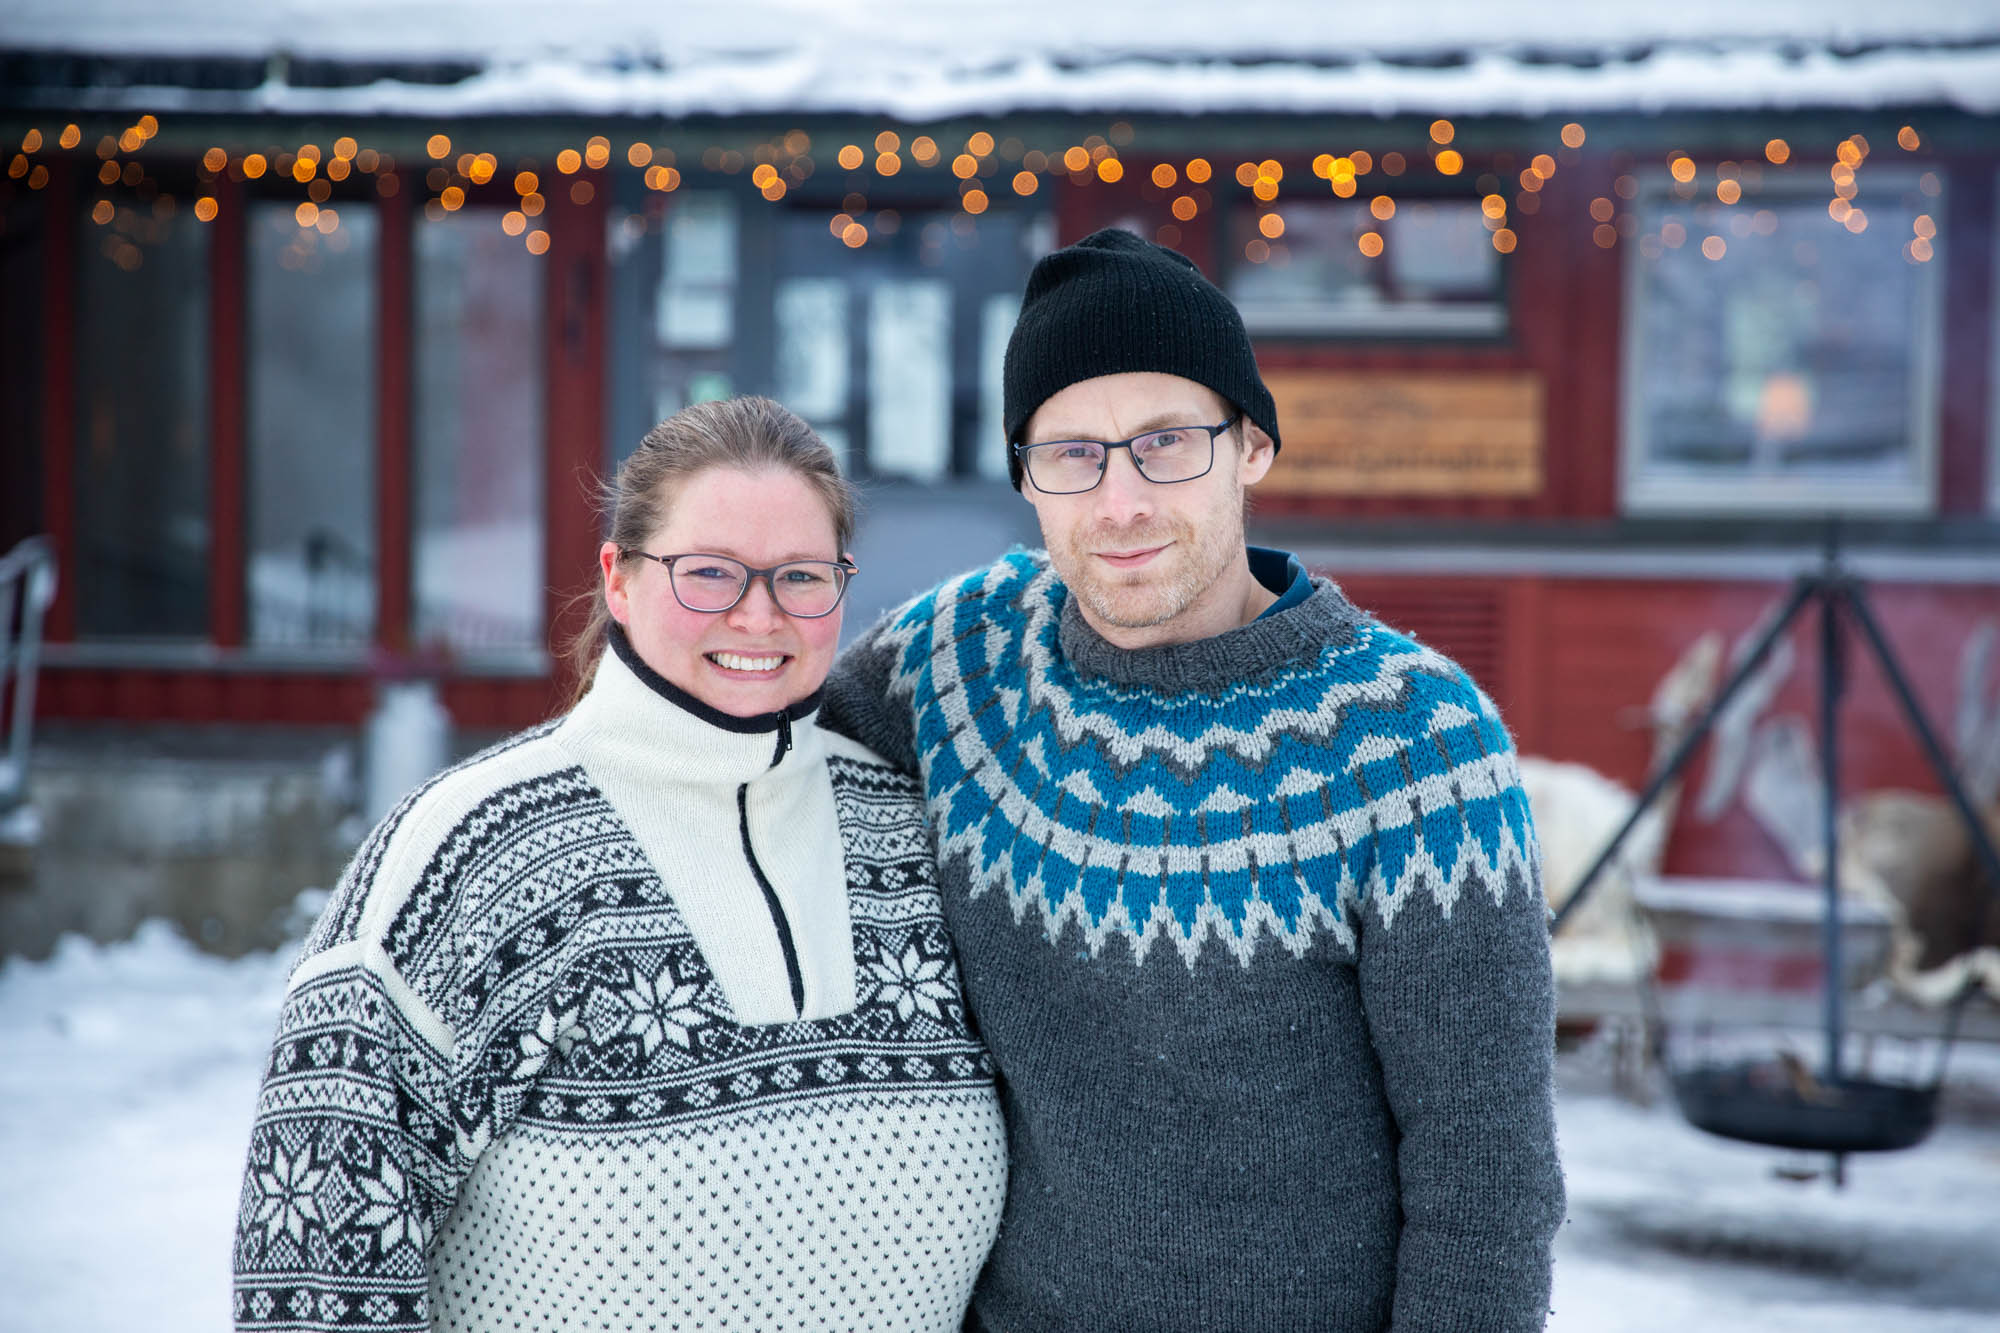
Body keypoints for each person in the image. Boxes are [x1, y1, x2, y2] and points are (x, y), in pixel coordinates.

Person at [820, 229, 1565, 1332]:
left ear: (1251, 445)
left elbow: (1485, 1185)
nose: (1118, 500)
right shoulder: (958, 657)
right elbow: (754, 768)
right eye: (1071, 453)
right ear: (1026, 474)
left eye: (1165, 442)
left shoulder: (1412, 743)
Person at [231, 397, 1006, 1332]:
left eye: (801, 575)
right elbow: (315, 1275)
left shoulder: (912, 835)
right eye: (709, 573)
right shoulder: (473, 856)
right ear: (620, 580)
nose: (759, 615)